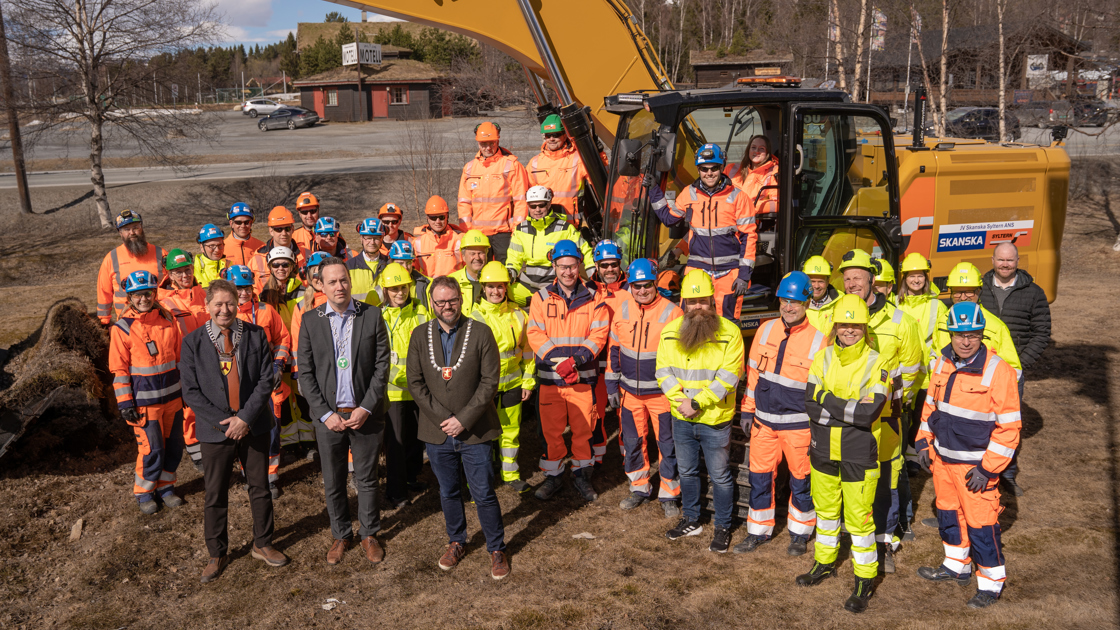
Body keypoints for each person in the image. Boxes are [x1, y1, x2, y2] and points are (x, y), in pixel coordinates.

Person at [180, 278, 290, 583]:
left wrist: (244, 418)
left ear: (238, 303)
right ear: (207, 307)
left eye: (230, 303)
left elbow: (265, 380)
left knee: (260, 487)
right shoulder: (192, 343)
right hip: (215, 431)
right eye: (218, 304)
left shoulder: (255, 335)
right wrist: (225, 422)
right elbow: (191, 392)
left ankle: (263, 543)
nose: (225, 309)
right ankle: (217, 552)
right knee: (215, 493)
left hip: (253, 425)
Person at [915, 302, 1021, 609]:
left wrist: (988, 470)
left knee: (982, 524)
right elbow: (931, 408)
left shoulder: (997, 370)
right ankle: (956, 565)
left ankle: (990, 584)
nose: (965, 341)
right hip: (942, 461)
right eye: (959, 335)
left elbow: (1009, 428)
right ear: (949, 334)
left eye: (972, 335)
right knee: (948, 513)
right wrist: (923, 442)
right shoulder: (942, 362)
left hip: (975, 467)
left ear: (981, 335)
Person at [407, 276, 509, 580]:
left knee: (483, 491)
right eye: (440, 301)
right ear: (432, 303)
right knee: (448, 490)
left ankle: (496, 547)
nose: (446, 306)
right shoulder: (418, 335)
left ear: (461, 298)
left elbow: (490, 381)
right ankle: (457, 541)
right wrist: (444, 418)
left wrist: (463, 419)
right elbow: (415, 382)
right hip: (437, 431)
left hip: (475, 430)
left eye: (451, 299)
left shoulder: (480, 332)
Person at [797, 293, 891, 613]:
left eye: (856, 325)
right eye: (844, 324)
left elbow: (868, 415)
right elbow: (811, 406)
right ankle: (824, 563)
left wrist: (829, 401)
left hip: (858, 453)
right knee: (825, 514)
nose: (849, 330)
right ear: (835, 326)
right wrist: (845, 409)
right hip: (823, 448)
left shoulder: (877, 362)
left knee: (860, 522)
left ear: (865, 327)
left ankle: (865, 578)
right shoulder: (821, 358)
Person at [297, 257, 390, 566]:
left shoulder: (372, 315)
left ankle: (369, 533)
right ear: (319, 285)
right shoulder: (311, 320)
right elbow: (306, 374)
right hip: (329, 418)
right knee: (334, 480)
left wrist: (366, 407)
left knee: (366, 478)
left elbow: (381, 367)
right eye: (332, 281)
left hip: (364, 414)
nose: (340, 286)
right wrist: (325, 414)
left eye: (344, 280)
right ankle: (340, 534)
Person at [839, 249, 923, 574]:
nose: (851, 284)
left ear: (872, 280)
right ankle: (857, 536)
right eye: (846, 279)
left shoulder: (901, 321)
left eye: (857, 278)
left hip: (886, 417)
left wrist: (894, 403)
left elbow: (912, 369)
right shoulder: (841, 315)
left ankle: (885, 541)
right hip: (849, 419)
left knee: (887, 479)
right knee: (856, 479)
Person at [655, 269, 743, 553]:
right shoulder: (670, 332)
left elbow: (729, 377)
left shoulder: (731, 333)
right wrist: (680, 400)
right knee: (688, 472)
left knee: (719, 476)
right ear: (684, 303)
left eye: (702, 301)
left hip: (715, 419)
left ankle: (723, 526)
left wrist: (696, 403)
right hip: (681, 418)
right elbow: (663, 371)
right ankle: (691, 519)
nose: (697, 307)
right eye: (692, 302)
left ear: (712, 302)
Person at [736, 271, 823, 556]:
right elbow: (753, 374)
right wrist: (747, 410)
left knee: (802, 481)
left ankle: (800, 533)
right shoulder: (765, 329)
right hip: (763, 423)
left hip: (799, 426)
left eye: (795, 302)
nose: (788, 307)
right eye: (784, 300)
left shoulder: (820, 341)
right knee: (759, 478)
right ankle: (758, 532)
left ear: (808, 302)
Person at [527, 239, 610, 502]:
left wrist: (573, 362)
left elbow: (599, 335)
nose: (567, 272)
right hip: (551, 380)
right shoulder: (540, 298)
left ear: (579, 266)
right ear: (554, 267)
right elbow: (534, 333)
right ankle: (554, 477)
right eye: (562, 267)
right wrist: (559, 362)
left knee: (583, 430)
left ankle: (582, 476)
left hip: (582, 379)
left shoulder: (595, 298)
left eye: (572, 266)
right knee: (551, 433)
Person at [648, 143, 758, 321]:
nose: (709, 173)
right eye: (704, 169)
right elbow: (669, 219)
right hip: (697, 271)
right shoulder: (688, 194)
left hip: (728, 274)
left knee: (726, 323)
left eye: (714, 168)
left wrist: (744, 275)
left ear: (722, 167)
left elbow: (749, 237)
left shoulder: (738, 197)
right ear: (698, 170)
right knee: (690, 320)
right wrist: (654, 190)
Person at [941, 261, 1025, 496]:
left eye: (969, 290)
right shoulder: (941, 320)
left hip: (978, 414)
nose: (963, 295)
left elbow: (1013, 371)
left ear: (978, 292)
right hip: (946, 410)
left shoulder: (994, 326)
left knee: (977, 484)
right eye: (958, 290)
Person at [607, 258, 683, 516]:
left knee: (667, 444)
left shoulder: (673, 312)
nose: (641, 290)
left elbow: (683, 357)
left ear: (655, 283)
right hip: (629, 394)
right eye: (636, 286)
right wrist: (611, 382)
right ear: (630, 285)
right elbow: (614, 348)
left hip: (662, 395)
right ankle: (639, 488)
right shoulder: (624, 310)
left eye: (647, 285)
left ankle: (669, 492)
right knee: (632, 442)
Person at [109, 270, 187, 514]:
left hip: (173, 399)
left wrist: (186, 391)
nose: (143, 298)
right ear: (129, 297)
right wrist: (125, 404)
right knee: (151, 449)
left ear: (155, 293)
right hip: (144, 404)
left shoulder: (168, 320)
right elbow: (119, 370)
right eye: (137, 295)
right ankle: (144, 492)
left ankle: (166, 486)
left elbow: (180, 358)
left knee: (173, 446)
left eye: (148, 293)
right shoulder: (121, 329)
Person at [470, 261, 535, 493]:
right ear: (483, 288)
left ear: (506, 288)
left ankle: (511, 474)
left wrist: (528, 381)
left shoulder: (518, 315)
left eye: (500, 286)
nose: (496, 291)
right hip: (483, 389)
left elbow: (527, 351)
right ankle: (480, 481)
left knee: (510, 431)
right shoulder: (473, 318)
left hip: (513, 384)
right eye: (491, 287)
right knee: (482, 435)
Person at [227, 265, 292, 499]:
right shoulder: (224, 314)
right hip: (240, 384)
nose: (243, 293)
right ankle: (251, 476)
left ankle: (271, 477)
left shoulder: (265, 310)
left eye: (246, 288)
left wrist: (278, 365)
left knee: (272, 430)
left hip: (268, 382)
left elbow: (283, 339)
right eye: (238, 288)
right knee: (245, 431)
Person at [896, 252, 949, 527]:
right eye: (911, 276)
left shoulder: (937, 307)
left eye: (920, 276)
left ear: (926, 278)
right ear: (904, 279)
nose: (916, 280)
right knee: (903, 420)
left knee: (921, 420)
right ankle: (908, 458)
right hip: (906, 374)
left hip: (926, 376)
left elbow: (941, 342)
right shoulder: (897, 303)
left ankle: (919, 458)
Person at [379, 263, 431, 507]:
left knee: (415, 439)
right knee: (396, 444)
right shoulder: (379, 316)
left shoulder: (422, 311)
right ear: (385, 290)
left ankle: (411, 478)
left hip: (419, 389)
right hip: (393, 391)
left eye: (404, 287)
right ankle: (395, 491)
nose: (400, 293)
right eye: (394, 289)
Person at [158, 249, 207, 471]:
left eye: (187, 270)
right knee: (189, 408)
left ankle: (216, 443)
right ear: (169, 274)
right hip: (184, 363)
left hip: (212, 360)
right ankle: (196, 450)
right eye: (178, 272)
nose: (184, 276)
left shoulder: (205, 294)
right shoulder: (162, 302)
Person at [457, 121, 529, 263]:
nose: (488, 147)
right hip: (478, 234)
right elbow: (464, 202)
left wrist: (517, 231)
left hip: (504, 233)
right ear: (478, 143)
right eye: (484, 144)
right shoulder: (470, 168)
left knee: (506, 272)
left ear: (498, 140)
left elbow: (521, 201)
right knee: (480, 274)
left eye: (492, 143)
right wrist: (468, 231)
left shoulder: (512, 165)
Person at [259, 246, 308, 452]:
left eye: (285, 264)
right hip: (278, 357)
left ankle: (308, 440)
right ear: (270, 267)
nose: (281, 268)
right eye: (276, 265)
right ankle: (288, 443)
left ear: (292, 266)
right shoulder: (265, 295)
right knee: (284, 400)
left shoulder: (305, 291)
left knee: (304, 399)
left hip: (300, 354)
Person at [979, 243, 1051, 381]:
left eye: (1010, 260)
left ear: (1018, 261)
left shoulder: (1034, 292)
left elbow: (1042, 333)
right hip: (980, 366)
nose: (1005, 264)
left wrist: (1020, 364)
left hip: (1013, 369)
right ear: (992, 260)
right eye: (1001, 260)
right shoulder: (979, 289)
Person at [588, 239, 629, 466]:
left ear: (620, 263)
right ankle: (597, 457)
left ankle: (628, 459)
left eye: (614, 264)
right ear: (596, 266)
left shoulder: (632, 290)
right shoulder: (587, 291)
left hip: (623, 362)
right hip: (595, 361)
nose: (610, 269)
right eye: (604, 265)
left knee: (627, 414)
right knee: (595, 412)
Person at [506, 185, 593, 292]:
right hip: (527, 286)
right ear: (528, 206)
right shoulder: (520, 230)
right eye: (533, 206)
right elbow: (513, 259)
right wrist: (508, 276)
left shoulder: (565, 229)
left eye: (541, 205)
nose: (537, 210)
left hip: (556, 285)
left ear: (549, 204)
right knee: (503, 292)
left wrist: (594, 276)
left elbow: (585, 252)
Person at [97, 210, 167, 325]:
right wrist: (104, 322)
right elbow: (104, 293)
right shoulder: (111, 258)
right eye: (126, 229)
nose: (132, 232)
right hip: (127, 322)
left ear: (142, 227)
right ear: (120, 233)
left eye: (135, 227)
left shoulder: (160, 253)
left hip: (159, 320)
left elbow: (174, 286)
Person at [528, 114, 592, 225]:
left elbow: (599, 180)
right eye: (548, 135)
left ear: (564, 135)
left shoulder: (578, 159)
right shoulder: (534, 162)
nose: (551, 139)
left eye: (556, 135)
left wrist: (597, 153)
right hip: (543, 223)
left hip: (570, 222)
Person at [249, 207, 309, 290]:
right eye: (279, 229)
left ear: (293, 229)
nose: (284, 233)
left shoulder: (307, 255)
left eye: (287, 229)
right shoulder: (257, 259)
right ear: (271, 231)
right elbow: (251, 289)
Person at [413, 195, 464, 278]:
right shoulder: (417, 243)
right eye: (433, 218)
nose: (438, 221)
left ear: (447, 217)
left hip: (454, 287)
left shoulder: (460, 239)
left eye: (441, 217)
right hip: (428, 288)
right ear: (427, 218)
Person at [730, 134, 779, 217]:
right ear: (748, 150)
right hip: (727, 221)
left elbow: (777, 203)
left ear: (767, 152)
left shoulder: (774, 172)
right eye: (753, 147)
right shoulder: (731, 169)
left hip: (755, 223)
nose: (757, 151)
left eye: (761, 148)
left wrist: (750, 207)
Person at [448, 230, 493, 313]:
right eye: (472, 253)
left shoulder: (495, 279)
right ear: (464, 257)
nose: (477, 257)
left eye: (481, 253)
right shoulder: (451, 281)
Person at [347, 218, 390, 305]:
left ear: (382, 239)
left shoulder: (390, 264)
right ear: (361, 238)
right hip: (358, 316)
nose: (372, 242)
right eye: (368, 238)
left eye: (376, 238)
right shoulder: (349, 266)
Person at [387, 241, 431, 310]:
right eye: (400, 263)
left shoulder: (426, 283)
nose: (405, 267)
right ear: (391, 263)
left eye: (408, 263)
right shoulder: (384, 284)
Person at [804, 255, 839, 331]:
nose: (816, 286)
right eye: (812, 281)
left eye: (820, 281)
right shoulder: (797, 302)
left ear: (827, 282)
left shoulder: (841, 302)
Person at [225, 203, 265, 267]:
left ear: (251, 223)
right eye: (238, 222)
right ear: (231, 224)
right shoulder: (222, 248)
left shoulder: (262, 247)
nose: (243, 226)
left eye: (247, 222)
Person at [194, 224, 231, 288]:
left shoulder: (230, 266)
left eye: (220, 245)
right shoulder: (193, 271)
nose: (217, 250)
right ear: (202, 247)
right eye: (211, 246)